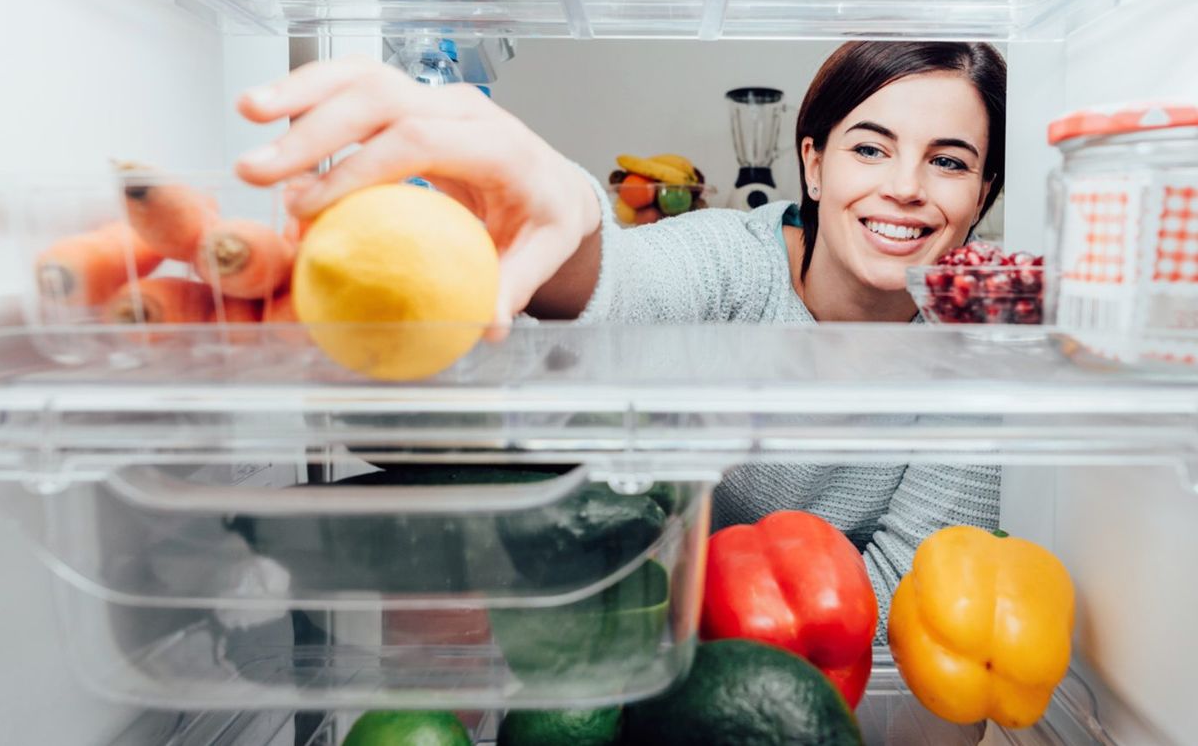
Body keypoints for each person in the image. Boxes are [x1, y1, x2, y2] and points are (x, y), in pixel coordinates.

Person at [235, 40, 1006, 636]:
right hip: (630, 633)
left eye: (948, 162)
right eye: (870, 148)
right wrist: (564, 213)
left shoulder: (971, 354)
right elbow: (628, 284)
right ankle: (251, 549)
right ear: (812, 164)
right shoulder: (733, 257)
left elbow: (923, 596)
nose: (905, 186)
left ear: (982, 197)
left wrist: (705, 615)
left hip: (791, 672)